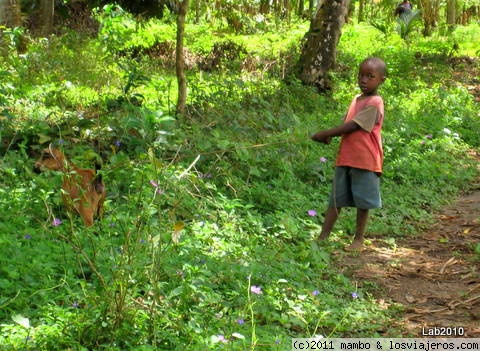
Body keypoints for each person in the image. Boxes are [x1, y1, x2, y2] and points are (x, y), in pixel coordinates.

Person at [311, 57, 386, 251]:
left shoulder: (375, 102)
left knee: (363, 201)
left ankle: (358, 239)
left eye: (370, 76)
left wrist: (326, 133)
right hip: (346, 156)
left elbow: (354, 126)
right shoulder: (356, 99)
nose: (364, 80)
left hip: (366, 159)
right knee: (336, 198)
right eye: (361, 75)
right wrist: (331, 137)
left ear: (381, 80)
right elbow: (347, 125)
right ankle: (323, 236)